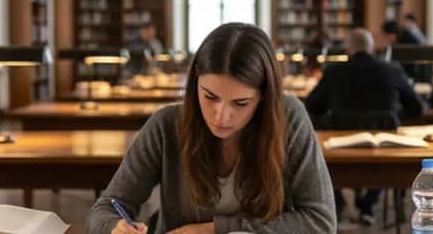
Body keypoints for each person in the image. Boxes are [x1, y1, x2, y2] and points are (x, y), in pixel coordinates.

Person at [87, 22, 337, 233]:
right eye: (210, 96)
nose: (221, 116)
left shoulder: (288, 118)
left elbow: (321, 223)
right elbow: (105, 208)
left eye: (240, 103)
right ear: (195, 80)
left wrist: (213, 229)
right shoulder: (166, 125)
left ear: (264, 97)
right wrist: (115, 227)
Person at [303, 28, 423, 225]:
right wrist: (393, 116)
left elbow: (312, 105)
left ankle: (338, 202)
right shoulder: (392, 70)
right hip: (384, 152)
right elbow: (416, 108)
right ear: (372, 48)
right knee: (386, 165)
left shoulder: (334, 71)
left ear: (348, 49)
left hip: (339, 151)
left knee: (324, 162)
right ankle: (369, 204)